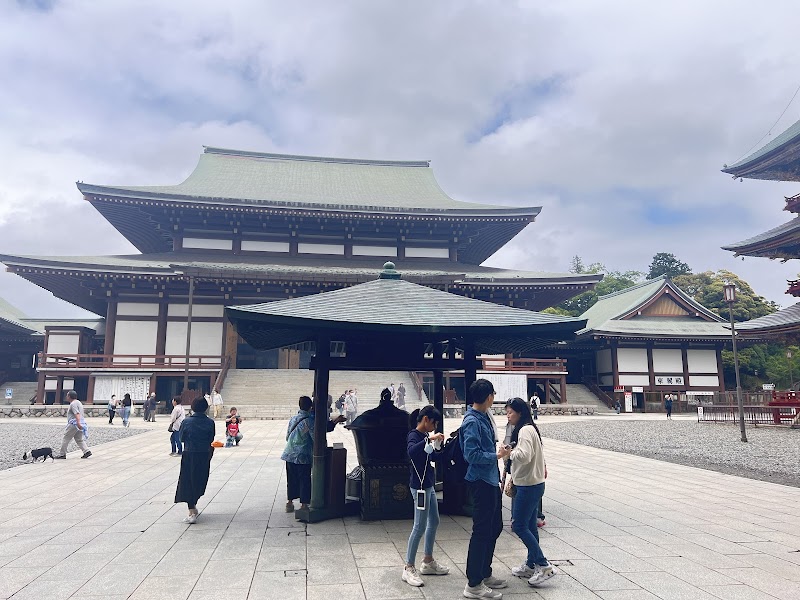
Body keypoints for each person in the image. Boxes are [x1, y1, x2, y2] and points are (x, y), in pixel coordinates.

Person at [462, 379, 507, 599]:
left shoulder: (483, 416)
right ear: (488, 396)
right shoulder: (472, 421)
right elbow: (470, 455)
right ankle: (473, 583)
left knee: (495, 526)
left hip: (490, 480)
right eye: (493, 394)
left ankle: (484, 572)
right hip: (481, 481)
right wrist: (496, 456)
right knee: (481, 530)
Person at [503, 398, 555, 587]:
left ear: (519, 412)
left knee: (519, 525)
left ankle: (543, 564)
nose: (508, 416)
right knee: (531, 526)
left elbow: (524, 456)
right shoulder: (531, 428)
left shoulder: (524, 430)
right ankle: (531, 564)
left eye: (510, 413)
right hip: (534, 483)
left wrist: (509, 452)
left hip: (527, 485)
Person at [402, 406, 449, 587]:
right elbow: (412, 452)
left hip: (428, 485)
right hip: (419, 487)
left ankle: (428, 560)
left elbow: (431, 458)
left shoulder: (423, 437)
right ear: (426, 419)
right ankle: (408, 567)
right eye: (434, 422)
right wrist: (430, 439)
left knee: (434, 521)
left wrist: (441, 448)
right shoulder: (414, 435)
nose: (434, 426)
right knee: (419, 526)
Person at [281, 396, 346, 513]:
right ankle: (304, 505)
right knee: (304, 479)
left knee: (291, 479)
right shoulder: (309, 421)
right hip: (302, 456)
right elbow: (316, 438)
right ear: (311, 407)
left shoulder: (293, 419)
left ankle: (289, 503)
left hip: (289, 453)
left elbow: (287, 436)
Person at [174, 397, 216, 524]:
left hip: (190, 454)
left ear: (192, 408)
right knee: (200, 480)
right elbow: (211, 438)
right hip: (204, 454)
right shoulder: (210, 422)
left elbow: (181, 438)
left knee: (188, 481)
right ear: (206, 408)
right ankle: (193, 505)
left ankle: (191, 509)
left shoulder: (187, 422)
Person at [55, 390, 91, 459]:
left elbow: (76, 413)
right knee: (79, 439)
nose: (66, 397)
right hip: (81, 423)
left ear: (69, 396)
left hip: (74, 424)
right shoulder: (79, 402)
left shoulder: (73, 404)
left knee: (66, 438)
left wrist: (78, 423)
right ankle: (86, 451)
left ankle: (62, 454)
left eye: (67, 395)